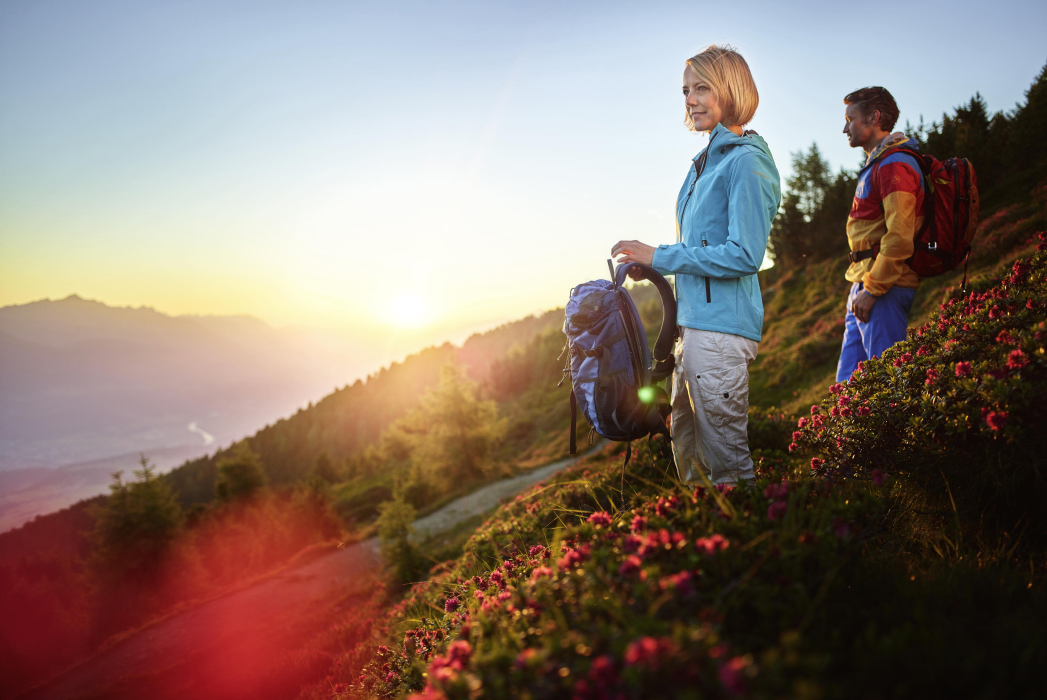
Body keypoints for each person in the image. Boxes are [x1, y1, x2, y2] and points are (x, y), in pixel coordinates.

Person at [611, 45, 780, 485]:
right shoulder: (704, 163)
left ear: (730, 89)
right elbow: (701, 245)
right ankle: (708, 544)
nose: (690, 99)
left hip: (721, 333)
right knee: (687, 454)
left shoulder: (747, 161)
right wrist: (651, 268)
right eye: (686, 90)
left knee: (727, 464)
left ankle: (751, 546)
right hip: (693, 330)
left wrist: (659, 256)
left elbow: (745, 254)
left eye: (701, 87)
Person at [836, 86, 924, 382]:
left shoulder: (895, 163)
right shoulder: (879, 162)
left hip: (882, 289)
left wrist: (873, 290)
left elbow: (900, 234)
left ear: (874, 117)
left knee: (888, 387)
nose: (845, 127)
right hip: (863, 284)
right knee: (847, 390)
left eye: (850, 119)